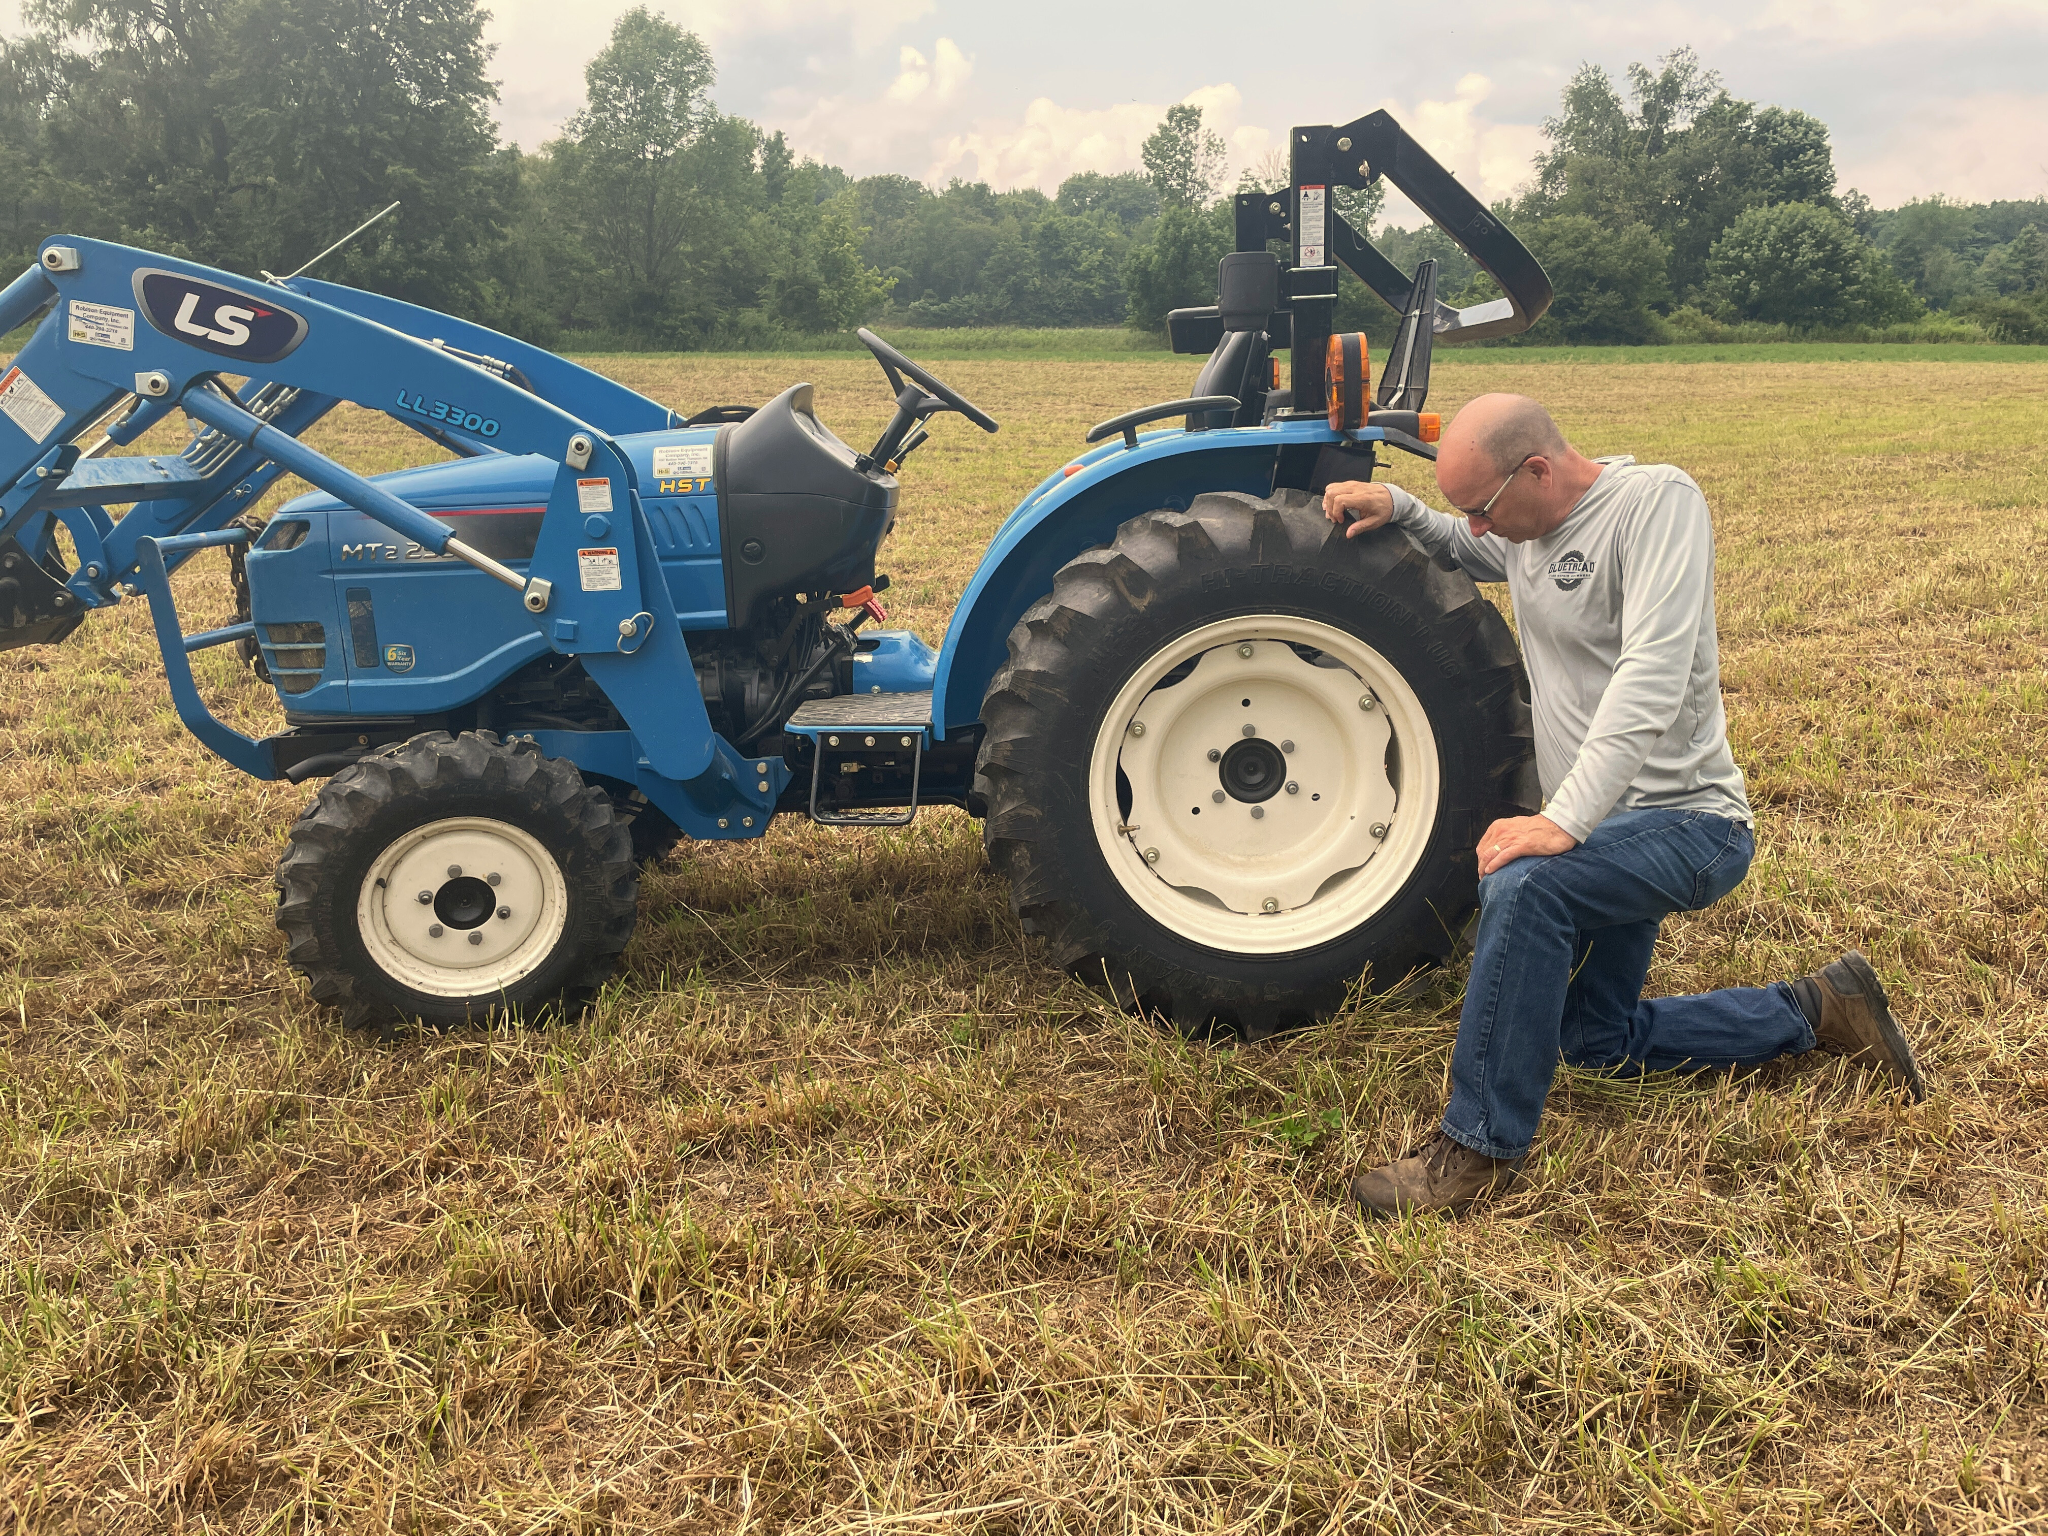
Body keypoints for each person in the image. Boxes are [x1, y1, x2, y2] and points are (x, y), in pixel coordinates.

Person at [1321, 393, 1924, 1219]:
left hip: (1689, 824)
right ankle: (1821, 1007)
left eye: (1485, 508)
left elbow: (1651, 673)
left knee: (1528, 887)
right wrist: (1407, 509)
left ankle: (1476, 1149)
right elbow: (1472, 543)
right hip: (1606, 832)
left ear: (1537, 468)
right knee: (1595, 1046)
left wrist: (1561, 822)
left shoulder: (1654, 505)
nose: (1482, 531)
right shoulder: (1521, 529)